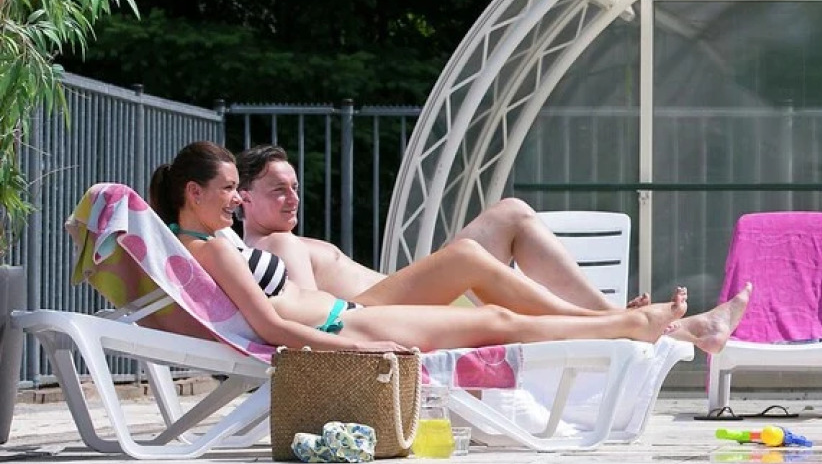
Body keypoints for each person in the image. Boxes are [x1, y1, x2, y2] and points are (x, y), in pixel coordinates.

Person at [150, 142, 751, 356]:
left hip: (371, 309)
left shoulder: (216, 246)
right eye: (266, 191)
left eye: (294, 188)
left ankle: (634, 324)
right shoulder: (249, 247)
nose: (289, 199)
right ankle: (637, 326)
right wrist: (356, 346)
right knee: (481, 279)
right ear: (200, 194)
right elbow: (277, 321)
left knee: (505, 226)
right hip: (364, 315)